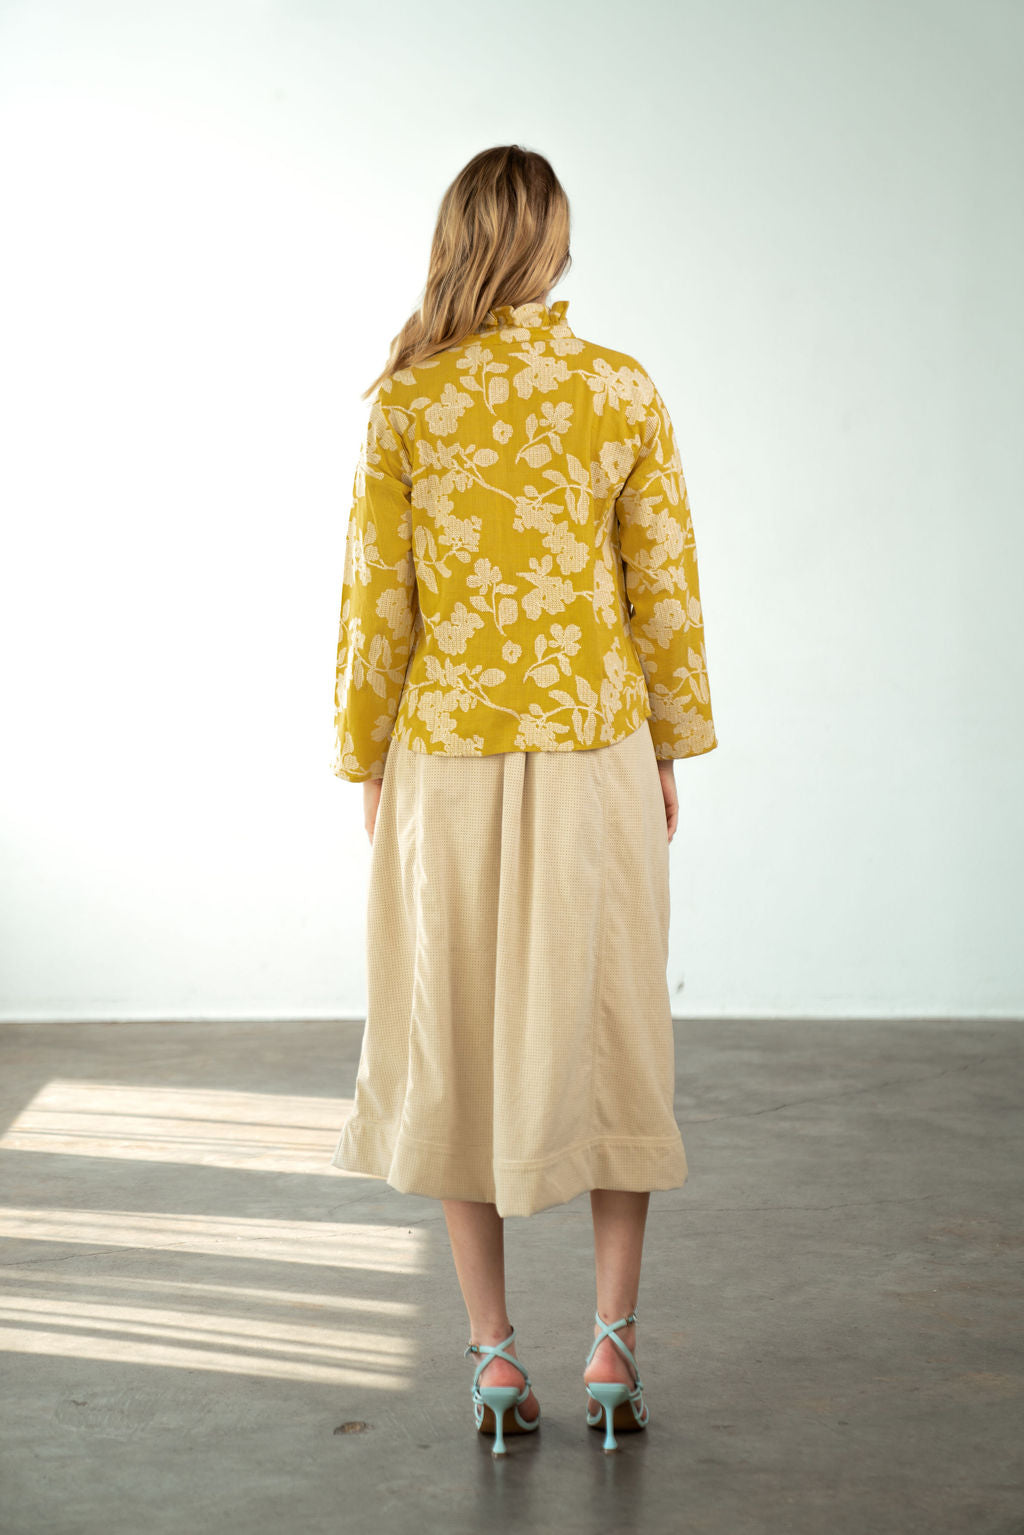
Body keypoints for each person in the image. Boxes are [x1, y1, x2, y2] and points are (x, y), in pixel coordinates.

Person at [328, 144, 718, 1456]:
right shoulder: (619, 389)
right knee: (613, 1030)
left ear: (457, 242)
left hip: (447, 757)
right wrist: (669, 745)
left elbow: (377, 603)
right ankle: (613, 1346)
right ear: (553, 245)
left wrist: (366, 757)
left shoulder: (406, 402)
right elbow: (664, 585)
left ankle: (495, 1357)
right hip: (596, 745)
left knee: (454, 1035)